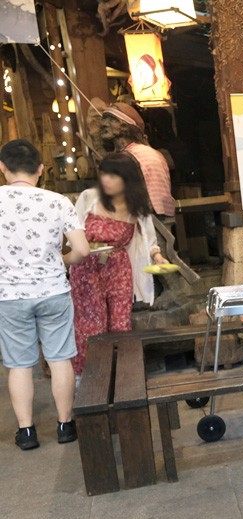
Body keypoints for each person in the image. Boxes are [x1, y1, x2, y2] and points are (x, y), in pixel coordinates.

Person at [0, 140, 90, 450]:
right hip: (53, 290)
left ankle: (26, 432)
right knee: (60, 358)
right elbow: (81, 249)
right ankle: (65, 426)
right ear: (41, 169)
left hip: (9, 295)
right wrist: (60, 262)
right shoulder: (58, 201)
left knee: (19, 364)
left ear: (2, 168)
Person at [70, 152, 167, 378]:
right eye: (104, 173)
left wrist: (158, 258)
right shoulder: (88, 197)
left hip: (118, 268)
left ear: (128, 179)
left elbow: (149, 242)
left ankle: (123, 377)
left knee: (121, 324)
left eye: (113, 175)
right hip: (87, 268)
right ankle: (89, 380)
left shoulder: (137, 207)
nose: (106, 180)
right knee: (91, 326)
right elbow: (71, 234)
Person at [98, 101, 175, 217]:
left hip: (146, 220)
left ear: (125, 126)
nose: (104, 124)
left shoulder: (139, 155)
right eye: (104, 119)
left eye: (112, 120)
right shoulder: (132, 154)